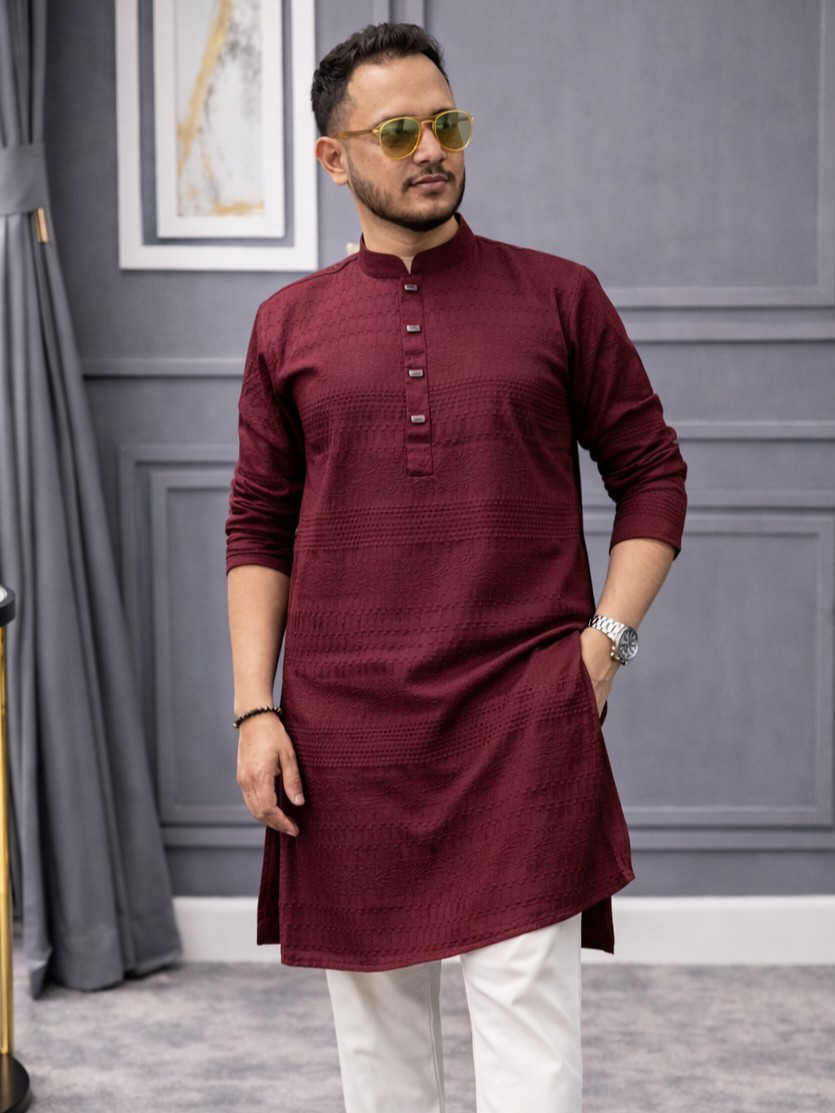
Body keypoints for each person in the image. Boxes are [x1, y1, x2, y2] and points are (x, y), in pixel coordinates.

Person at [226, 21, 687, 1113]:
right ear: (335, 157)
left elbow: (651, 475)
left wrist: (603, 646)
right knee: (380, 1055)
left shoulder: (559, 296)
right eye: (398, 131)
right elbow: (257, 526)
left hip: (524, 712)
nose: (431, 148)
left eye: (447, 123)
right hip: (346, 731)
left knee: (532, 1048)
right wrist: (255, 709)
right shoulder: (286, 326)